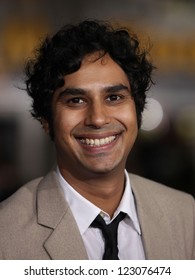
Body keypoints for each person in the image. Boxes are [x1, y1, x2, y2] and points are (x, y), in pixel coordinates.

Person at [0, 20, 194, 260]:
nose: (98, 119)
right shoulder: (6, 237)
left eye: (114, 97)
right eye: (76, 101)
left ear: (137, 110)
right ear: (46, 120)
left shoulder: (187, 215)